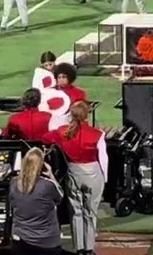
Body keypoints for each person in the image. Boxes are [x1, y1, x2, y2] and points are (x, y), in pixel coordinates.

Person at [45, 101, 107, 255]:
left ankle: (79, 248)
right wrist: (104, 179)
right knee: (90, 213)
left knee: (76, 212)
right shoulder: (97, 134)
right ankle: (88, 248)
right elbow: (103, 159)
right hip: (93, 174)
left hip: (73, 173)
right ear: (87, 115)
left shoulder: (62, 132)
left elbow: (46, 137)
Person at [9, 146, 66, 255]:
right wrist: (51, 175)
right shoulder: (47, 186)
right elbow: (60, 196)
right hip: (46, 243)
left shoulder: (13, 183)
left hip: (21, 241)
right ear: (42, 166)